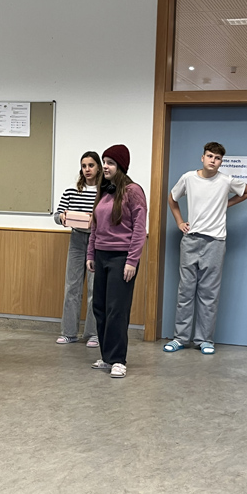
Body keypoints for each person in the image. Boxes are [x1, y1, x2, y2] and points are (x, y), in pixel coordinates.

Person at [164, 142, 247, 355]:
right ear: (202, 158)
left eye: (218, 158)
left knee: (209, 293)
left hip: (215, 242)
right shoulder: (188, 178)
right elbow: (172, 198)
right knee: (185, 291)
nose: (213, 160)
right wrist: (179, 221)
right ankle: (180, 338)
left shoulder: (225, 181)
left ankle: (204, 340)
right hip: (191, 240)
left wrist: (226, 204)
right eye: (210, 156)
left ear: (221, 162)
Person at [87, 144, 147, 378]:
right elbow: (95, 226)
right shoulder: (103, 191)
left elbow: (139, 228)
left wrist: (132, 260)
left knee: (116, 310)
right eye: (104, 162)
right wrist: (90, 254)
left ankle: (118, 360)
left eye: (110, 162)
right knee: (100, 308)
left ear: (121, 166)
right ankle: (107, 356)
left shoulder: (133, 191)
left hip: (122, 257)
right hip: (101, 255)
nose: (105, 166)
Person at [54, 151, 102, 347]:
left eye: (91, 165)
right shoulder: (71, 191)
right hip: (76, 240)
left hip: (97, 241)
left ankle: (93, 333)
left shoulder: (104, 192)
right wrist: (62, 217)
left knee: (94, 288)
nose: (87, 169)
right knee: (72, 287)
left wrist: (95, 220)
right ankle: (69, 332)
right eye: (84, 166)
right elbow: (57, 214)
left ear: (98, 167)